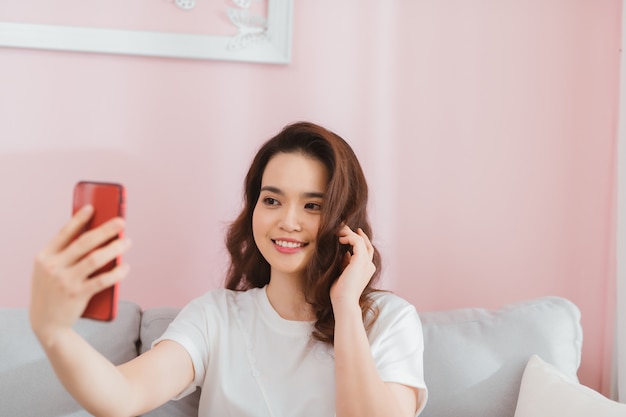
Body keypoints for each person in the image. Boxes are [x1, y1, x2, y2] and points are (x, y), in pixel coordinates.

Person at [29, 121, 428, 417]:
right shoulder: (215, 316)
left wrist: (345, 306)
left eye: (313, 205)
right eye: (272, 200)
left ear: (344, 219)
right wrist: (53, 333)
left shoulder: (388, 321)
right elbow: (121, 395)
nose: (288, 221)